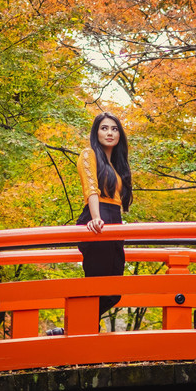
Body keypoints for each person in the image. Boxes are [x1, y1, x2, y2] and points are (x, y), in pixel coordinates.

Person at [75, 112, 133, 317]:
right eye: (104, 128)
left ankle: (78, 325)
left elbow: (117, 200)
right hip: (97, 219)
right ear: (96, 132)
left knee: (113, 292)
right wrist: (96, 218)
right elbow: (91, 188)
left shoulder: (116, 165)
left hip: (114, 222)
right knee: (98, 287)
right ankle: (79, 326)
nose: (110, 133)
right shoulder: (88, 154)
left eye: (114, 129)